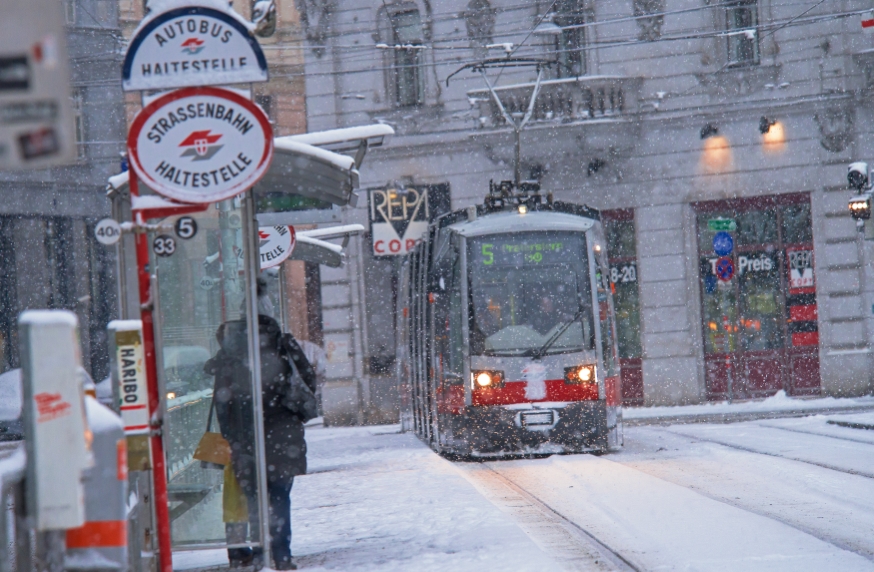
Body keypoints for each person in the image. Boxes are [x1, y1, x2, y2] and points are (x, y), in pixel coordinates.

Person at [205, 314, 318, 570]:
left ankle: (259, 552)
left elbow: (223, 404)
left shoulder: (231, 356)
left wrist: (232, 438)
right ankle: (281, 555)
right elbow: (308, 383)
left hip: (247, 439)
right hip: (284, 436)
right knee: (279, 496)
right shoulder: (283, 347)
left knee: (254, 499)